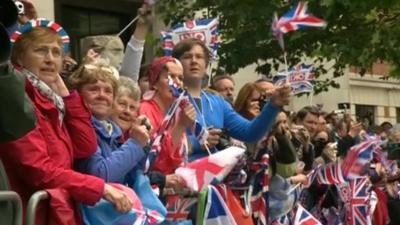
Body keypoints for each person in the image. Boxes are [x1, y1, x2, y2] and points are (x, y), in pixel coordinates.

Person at [1, 19, 132, 225]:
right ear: (19, 57)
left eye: (56, 52)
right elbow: (38, 170)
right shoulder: (17, 100)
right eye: (41, 51)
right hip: (29, 215)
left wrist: (67, 96)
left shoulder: (53, 100)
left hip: (53, 213)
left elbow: (85, 146)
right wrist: (101, 188)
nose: (50, 59)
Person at [172, 38, 291, 161]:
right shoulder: (168, 100)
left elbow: (250, 132)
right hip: (178, 174)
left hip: (212, 175)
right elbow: (158, 143)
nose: (194, 61)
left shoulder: (217, 103)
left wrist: (273, 105)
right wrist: (197, 143)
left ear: (206, 64)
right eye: (187, 57)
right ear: (176, 64)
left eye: (199, 57)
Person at [69, 63, 149, 184]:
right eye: (94, 89)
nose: (102, 95)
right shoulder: (80, 128)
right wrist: (135, 144)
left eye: (108, 91)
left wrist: (144, 144)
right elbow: (100, 176)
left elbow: (129, 179)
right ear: (78, 93)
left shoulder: (112, 132)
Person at [139, 56, 196, 180]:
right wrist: (181, 125)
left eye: (180, 78)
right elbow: (154, 160)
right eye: (170, 77)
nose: (177, 82)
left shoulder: (176, 112)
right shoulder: (144, 110)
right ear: (154, 83)